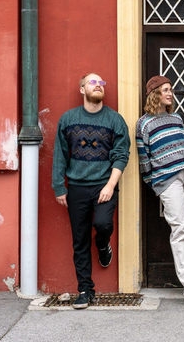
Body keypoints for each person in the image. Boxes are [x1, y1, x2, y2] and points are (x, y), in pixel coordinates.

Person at [52, 73, 131, 309]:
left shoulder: (115, 120)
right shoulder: (68, 119)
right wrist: (59, 186)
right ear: (82, 89)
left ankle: (103, 244)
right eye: (93, 82)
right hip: (76, 187)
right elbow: (60, 154)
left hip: (104, 185)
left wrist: (110, 185)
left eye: (101, 83)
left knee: (103, 225)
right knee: (80, 240)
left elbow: (121, 155)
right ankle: (85, 290)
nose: (98, 85)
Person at [136, 75, 184, 304]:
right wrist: (154, 182)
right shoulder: (144, 123)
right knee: (180, 226)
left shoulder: (176, 117)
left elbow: (181, 146)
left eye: (171, 89)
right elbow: (144, 159)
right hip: (167, 179)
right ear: (154, 94)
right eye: (165, 90)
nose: (170, 93)